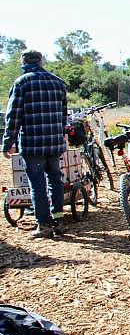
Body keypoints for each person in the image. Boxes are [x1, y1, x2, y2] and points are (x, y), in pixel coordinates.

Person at [2, 50, 68, 238]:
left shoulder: (22, 83)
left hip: (33, 144)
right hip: (55, 143)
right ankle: (59, 221)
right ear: (41, 61)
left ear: (23, 62)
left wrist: (7, 143)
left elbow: (13, 117)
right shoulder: (57, 82)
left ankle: (44, 225)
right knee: (56, 180)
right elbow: (64, 115)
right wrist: (62, 136)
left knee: (37, 184)